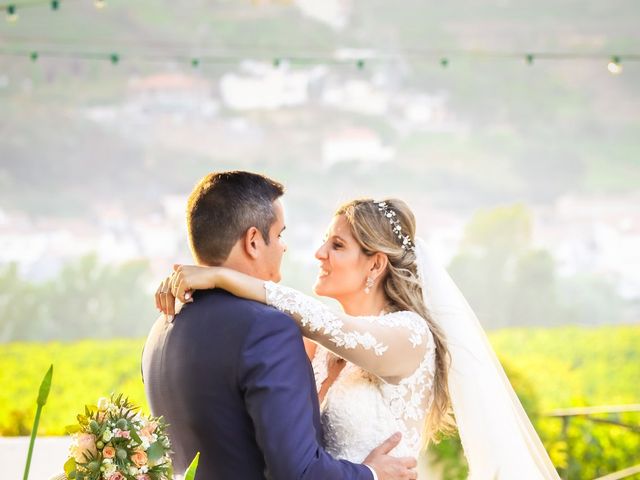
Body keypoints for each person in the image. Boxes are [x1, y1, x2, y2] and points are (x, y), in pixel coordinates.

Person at [158, 195, 562, 479]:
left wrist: (222, 276)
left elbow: (323, 321)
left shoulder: (410, 335)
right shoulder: (315, 347)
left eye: (337, 245)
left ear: (375, 265)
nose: (319, 253)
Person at [143, 171, 417, 480]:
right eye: (280, 234)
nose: (287, 248)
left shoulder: (161, 329)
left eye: (337, 245)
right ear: (253, 241)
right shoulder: (268, 330)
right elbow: (297, 471)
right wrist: (370, 474)